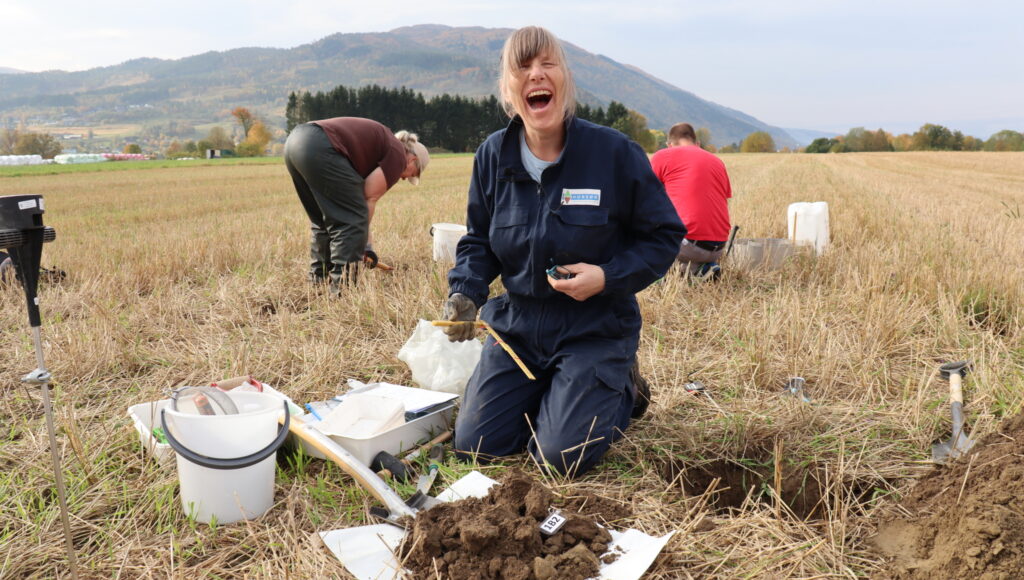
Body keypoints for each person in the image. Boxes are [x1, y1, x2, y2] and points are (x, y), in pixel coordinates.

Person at [442, 26, 685, 478]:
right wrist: (466, 291)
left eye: (547, 64)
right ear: (508, 89)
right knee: (476, 446)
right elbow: (479, 239)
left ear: (565, 79)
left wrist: (607, 277)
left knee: (559, 458)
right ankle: (557, 393)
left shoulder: (613, 152)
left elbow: (663, 235)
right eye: (522, 67)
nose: (536, 74)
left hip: (594, 327)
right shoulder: (492, 155)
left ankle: (623, 387)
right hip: (517, 328)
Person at [284, 117, 429, 293]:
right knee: (350, 221)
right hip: (322, 145)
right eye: (413, 174)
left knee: (322, 220)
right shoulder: (398, 155)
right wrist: (366, 246)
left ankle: (318, 280)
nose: (405, 178)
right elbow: (367, 199)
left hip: (296, 141)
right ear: (412, 160)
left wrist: (363, 244)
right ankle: (343, 290)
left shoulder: (385, 143)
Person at [650, 122, 733, 280]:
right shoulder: (717, 161)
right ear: (697, 144)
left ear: (669, 145)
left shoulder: (664, 156)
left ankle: (677, 270)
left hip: (687, 245)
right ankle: (700, 269)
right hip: (718, 247)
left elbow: (645, 196)